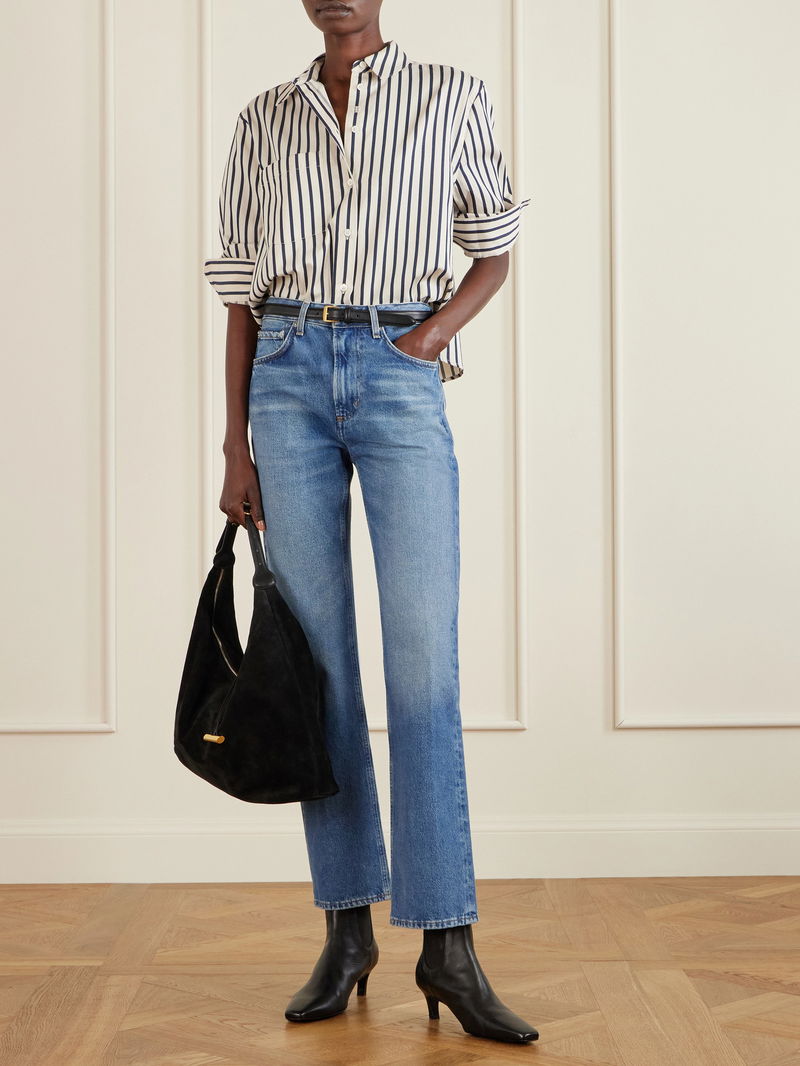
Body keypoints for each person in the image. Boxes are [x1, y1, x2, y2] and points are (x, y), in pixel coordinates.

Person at [203, 0, 537, 1045]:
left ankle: (448, 944)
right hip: (285, 379)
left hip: (399, 375)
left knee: (423, 664)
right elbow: (240, 293)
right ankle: (345, 932)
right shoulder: (263, 117)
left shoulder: (450, 98)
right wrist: (235, 445)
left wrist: (425, 340)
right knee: (318, 670)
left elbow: (494, 248)